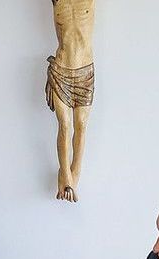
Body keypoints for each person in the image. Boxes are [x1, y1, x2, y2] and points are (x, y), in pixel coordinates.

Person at [46, 0, 95, 202]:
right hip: (61, 69)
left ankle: (74, 176)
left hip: (84, 71)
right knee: (65, 125)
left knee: (81, 125)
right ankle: (66, 176)